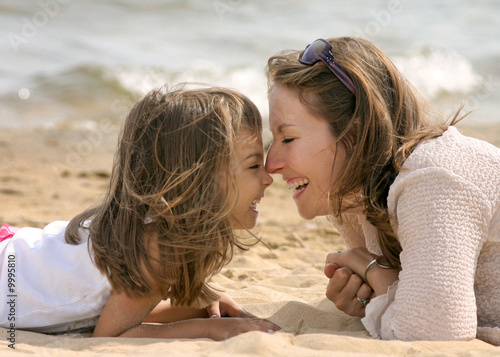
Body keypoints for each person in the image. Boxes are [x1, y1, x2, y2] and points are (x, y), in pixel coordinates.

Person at [264, 37, 500, 345]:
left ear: (356, 133)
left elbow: (435, 333)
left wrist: (376, 277)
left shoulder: (433, 178)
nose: (271, 164)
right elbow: (414, 306)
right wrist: (369, 301)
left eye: (288, 139)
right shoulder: (356, 196)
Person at [0, 85, 279, 340]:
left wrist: (201, 304)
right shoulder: (157, 248)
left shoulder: (159, 235)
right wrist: (210, 327)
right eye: (254, 166)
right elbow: (112, 335)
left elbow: (119, 310)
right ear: (200, 180)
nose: (268, 178)